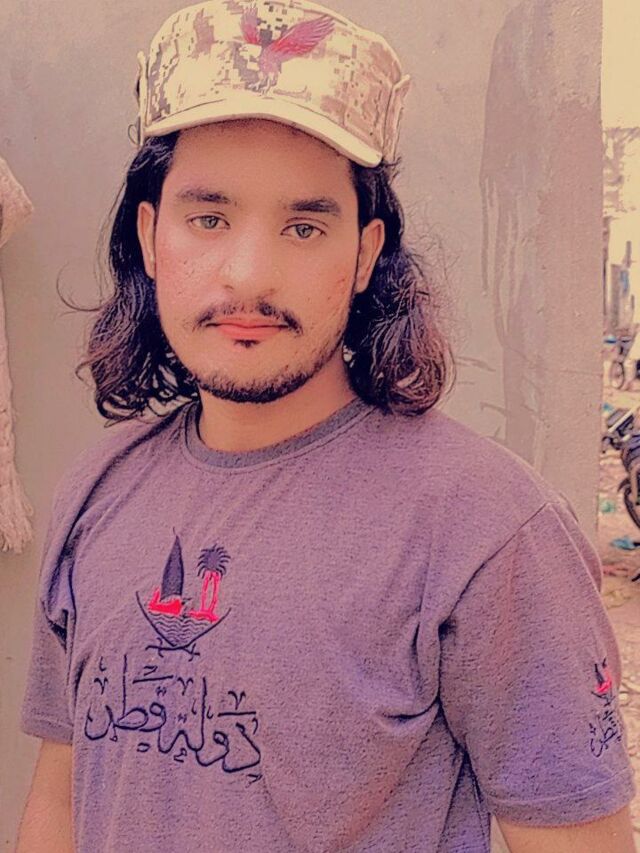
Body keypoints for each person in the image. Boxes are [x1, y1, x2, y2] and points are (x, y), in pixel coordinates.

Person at [17, 1, 637, 851]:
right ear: (152, 236)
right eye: (209, 218)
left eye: (304, 226)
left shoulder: (489, 531)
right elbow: (59, 802)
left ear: (365, 252)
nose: (249, 274)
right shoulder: (97, 490)